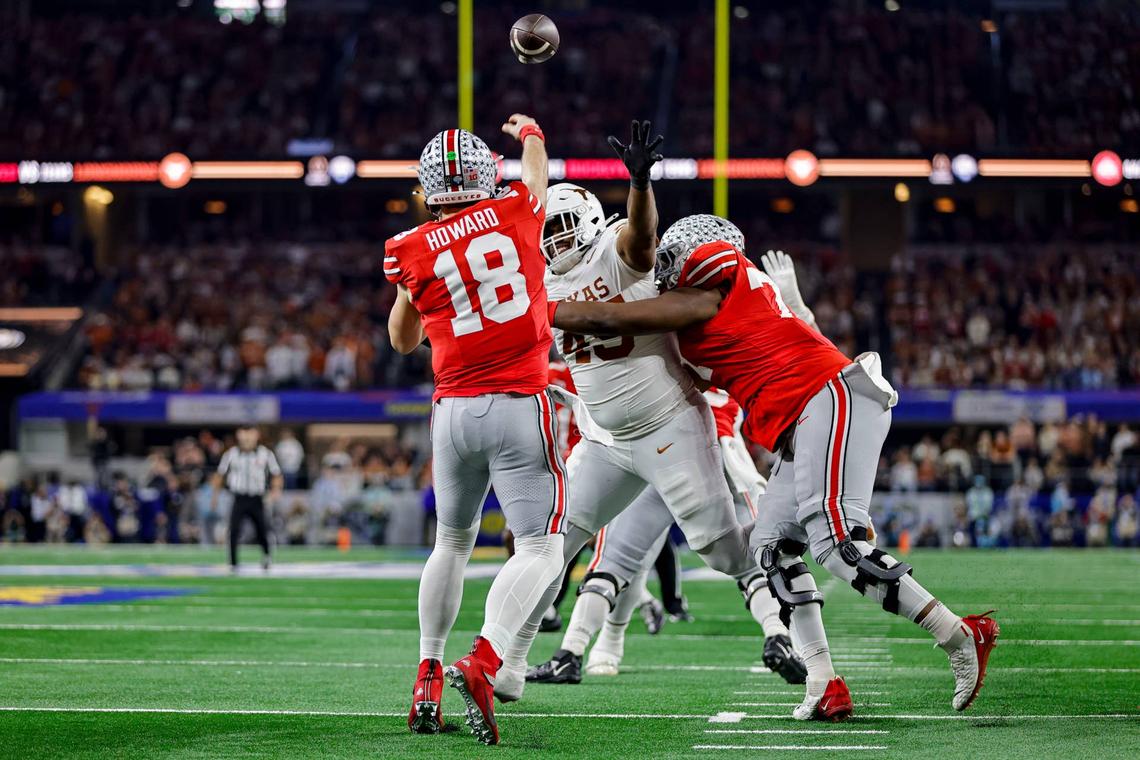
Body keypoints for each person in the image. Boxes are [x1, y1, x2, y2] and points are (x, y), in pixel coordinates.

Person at [550, 215, 999, 719]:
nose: (664, 266)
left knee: (837, 544)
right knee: (771, 549)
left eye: (672, 256)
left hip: (826, 398)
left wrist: (550, 307)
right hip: (801, 418)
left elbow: (625, 319)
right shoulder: (698, 318)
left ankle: (959, 635)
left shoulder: (712, 271)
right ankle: (823, 680)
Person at [504, 124, 791, 703]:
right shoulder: (542, 279)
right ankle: (506, 663)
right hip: (608, 442)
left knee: (720, 548)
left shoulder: (616, 254)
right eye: (549, 232)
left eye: (564, 229)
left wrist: (639, 183)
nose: (556, 242)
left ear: (587, 225)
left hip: (669, 426)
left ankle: (782, 632)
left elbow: (641, 238)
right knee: (551, 546)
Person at [387, 115, 565, 745]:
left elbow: (402, 339)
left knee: (451, 543)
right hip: (520, 400)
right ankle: (485, 661)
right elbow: (540, 181)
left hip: (453, 412)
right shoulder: (516, 212)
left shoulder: (408, 248)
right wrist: (533, 136)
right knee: (542, 548)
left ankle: (427, 672)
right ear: (489, 177)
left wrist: (419, 284)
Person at [211, 424, 283, 572]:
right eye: (244, 433)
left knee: (262, 529)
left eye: (250, 433)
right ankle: (233, 561)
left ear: (256, 435)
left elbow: (276, 474)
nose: (247, 437)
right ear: (238, 435)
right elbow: (220, 475)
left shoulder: (265, 454)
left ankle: (266, 556)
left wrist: (275, 490)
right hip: (239, 497)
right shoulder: (231, 454)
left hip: (257, 498)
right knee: (234, 529)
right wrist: (214, 496)